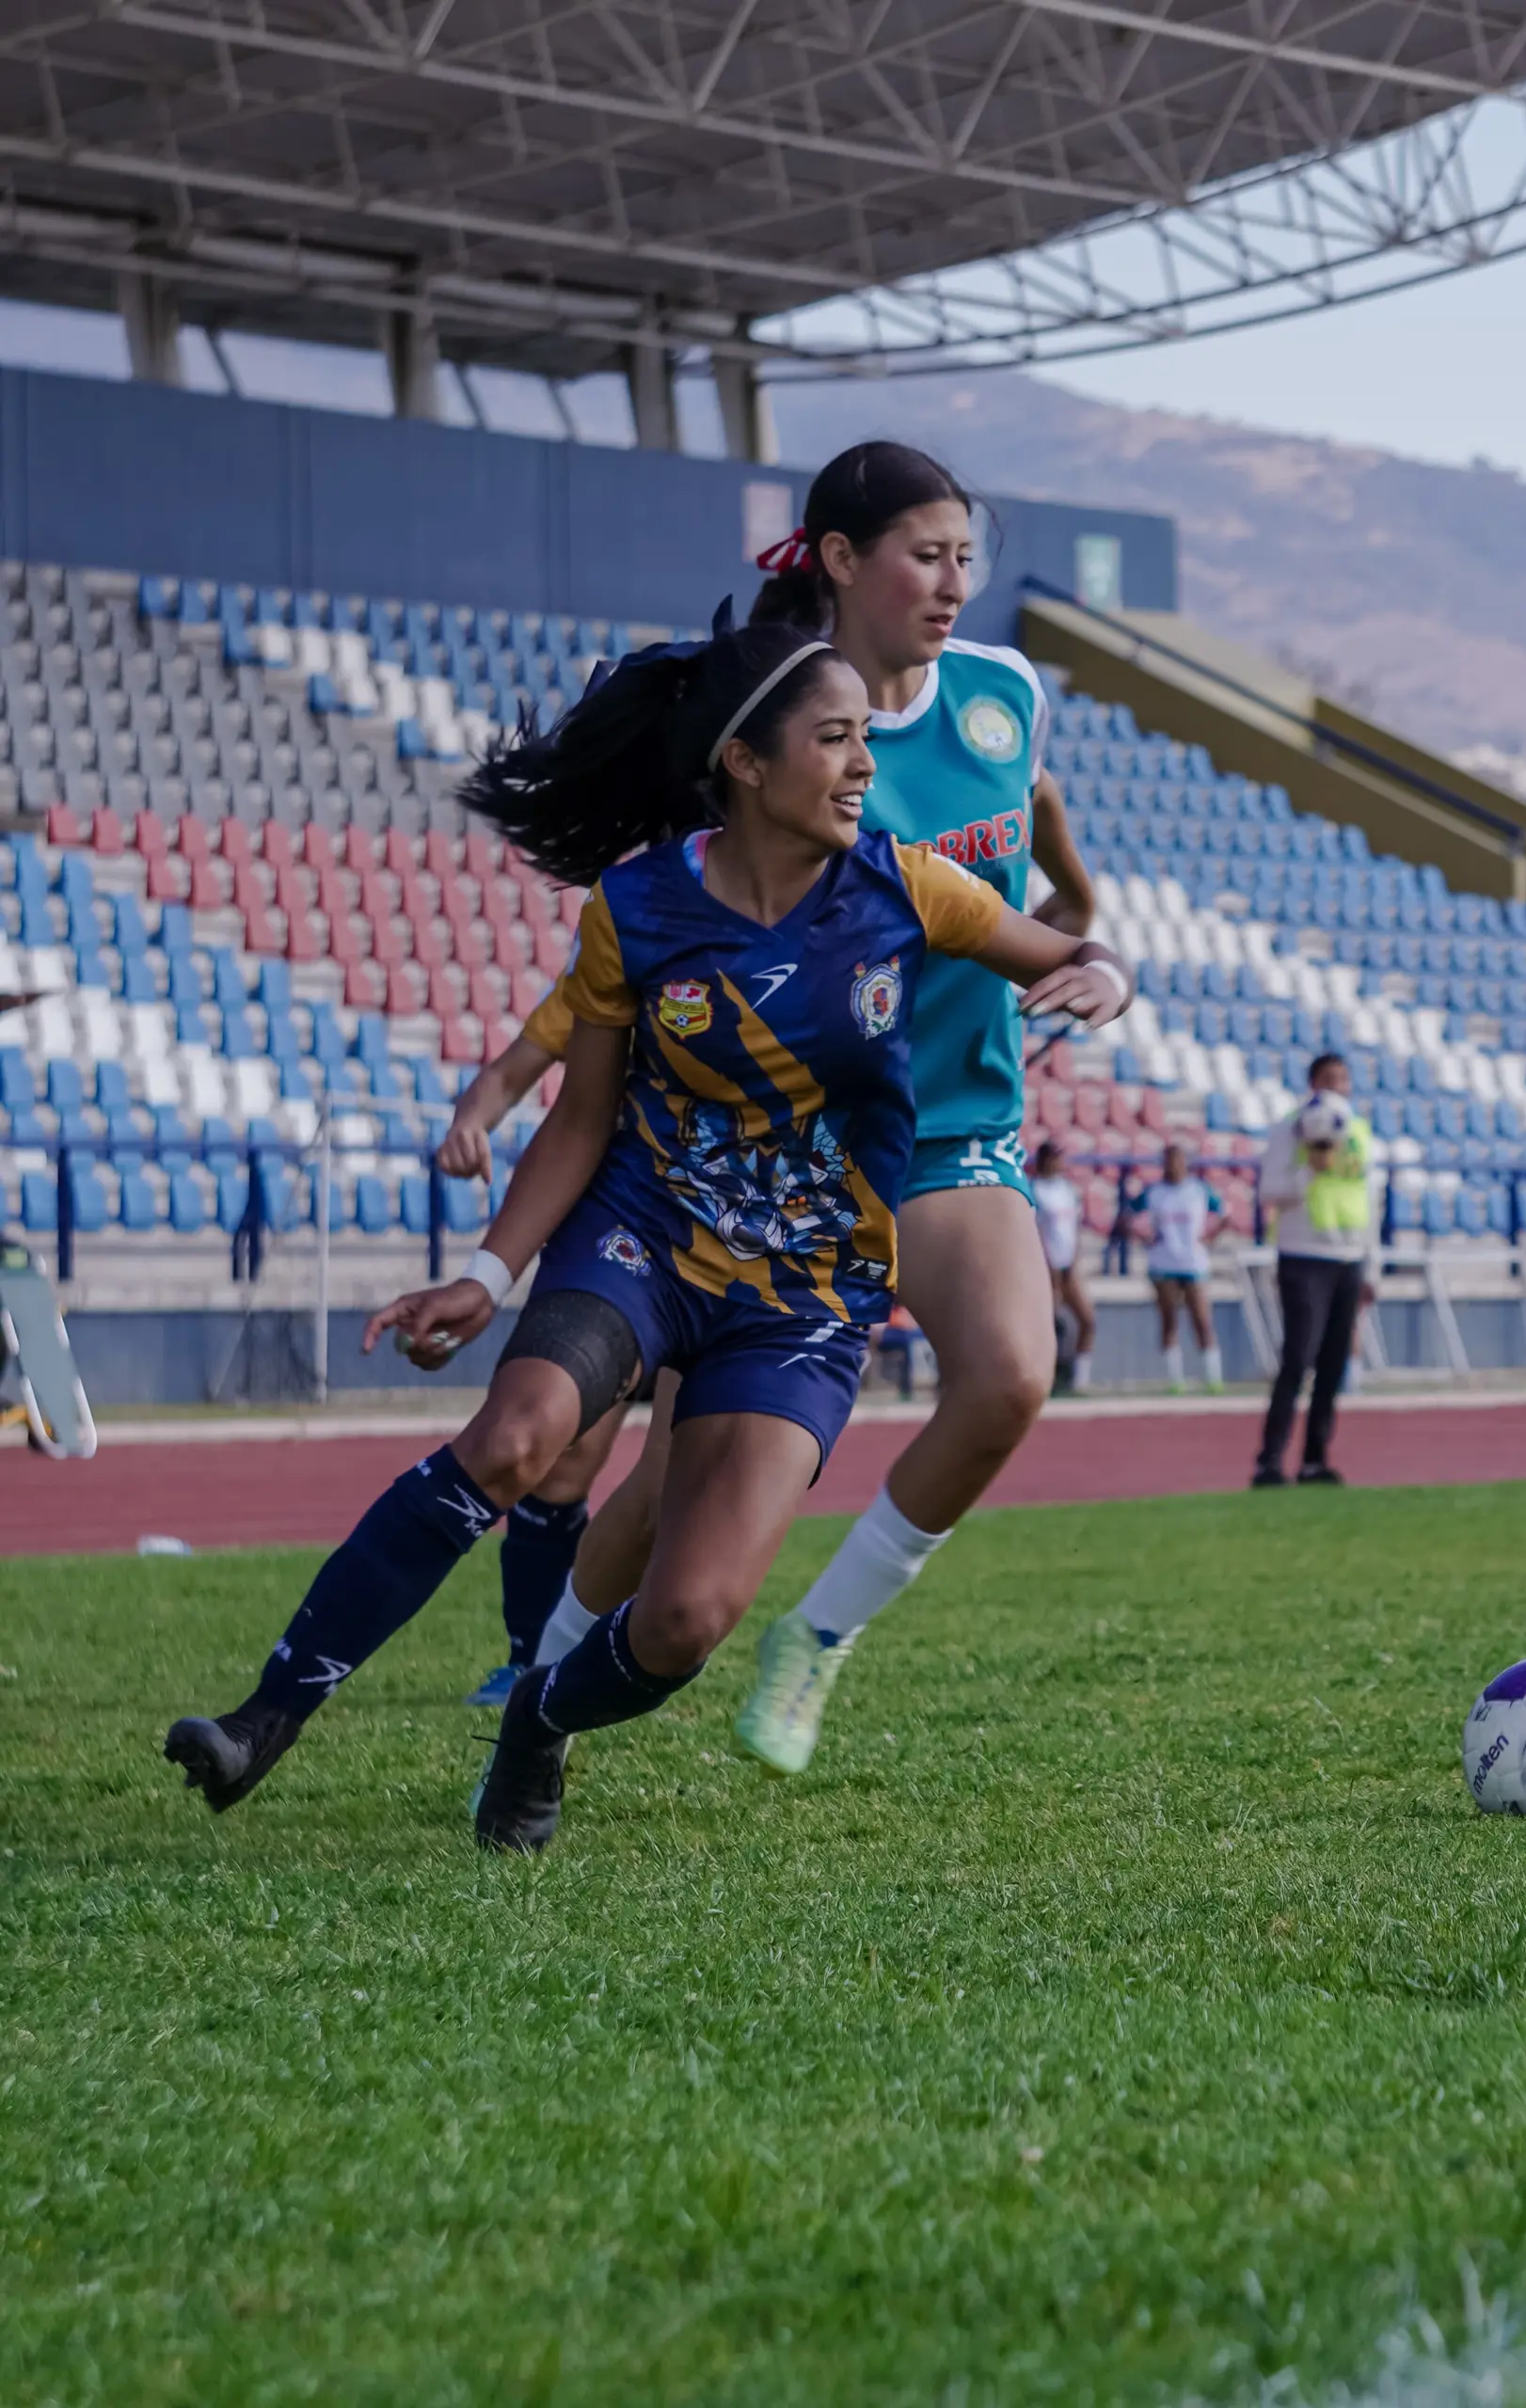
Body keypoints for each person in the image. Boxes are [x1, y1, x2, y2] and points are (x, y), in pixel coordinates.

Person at [163, 615, 1129, 1846]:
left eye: (863, 744)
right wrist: (484, 1271)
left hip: (810, 1293)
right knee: (513, 1440)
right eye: (834, 741)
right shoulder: (638, 908)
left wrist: (1103, 979)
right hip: (645, 1241)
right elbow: (579, 1120)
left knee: (685, 1622)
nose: (863, 767)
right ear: (747, 763)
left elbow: (1075, 951)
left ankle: (539, 1720)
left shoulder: (906, 885)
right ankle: (260, 1722)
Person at [529, 442, 1105, 1778]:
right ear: (841, 561)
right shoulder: (781, 735)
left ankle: (818, 1644)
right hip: (789, 1163)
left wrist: (1080, 942)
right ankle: (542, 1664)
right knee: (674, 1481)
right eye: (925, 553)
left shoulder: (1004, 697)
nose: (954, 581)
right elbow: (673, 935)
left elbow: (1037, 835)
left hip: (956, 1128)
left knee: (1013, 1375)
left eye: (968, 554)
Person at [432, 1006, 627, 1706]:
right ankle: (531, 1659)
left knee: (683, 1479)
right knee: (560, 1460)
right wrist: (469, 1122)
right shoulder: (613, 960)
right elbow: (513, 1068)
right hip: (609, 1239)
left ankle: (647, 1652)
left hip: (728, 1236)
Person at [1251, 1052, 1377, 1489]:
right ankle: (1269, 1460)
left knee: (1333, 1363)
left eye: (1342, 1079)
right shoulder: (1290, 1128)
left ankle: (1314, 1459)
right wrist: (1309, 1171)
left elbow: (1368, 1196)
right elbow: (1270, 1190)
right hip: (1303, 1255)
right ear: (1311, 1083)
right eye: (1327, 1079)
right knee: (1298, 1359)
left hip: (1348, 1256)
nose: (1335, 1087)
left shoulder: (1358, 1133)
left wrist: (1372, 1264)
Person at [1137, 1142, 1227, 1391]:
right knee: (1169, 1320)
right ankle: (1175, 1380)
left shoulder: (1199, 1190)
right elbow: (1128, 1214)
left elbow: (1223, 1214)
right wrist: (1143, 1236)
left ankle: (1213, 1378)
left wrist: (1210, 1237)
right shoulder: (1154, 1192)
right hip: (1164, 1261)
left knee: (1201, 1319)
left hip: (1193, 1261)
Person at [1030, 1139, 1094, 1394]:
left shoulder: (1067, 1189)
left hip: (1067, 1266)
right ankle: (1048, 1378)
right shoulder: (1035, 1189)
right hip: (1048, 1268)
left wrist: (1074, 1258)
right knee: (1050, 1325)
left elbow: (1074, 1227)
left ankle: (1080, 1379)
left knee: (1087, 1320)